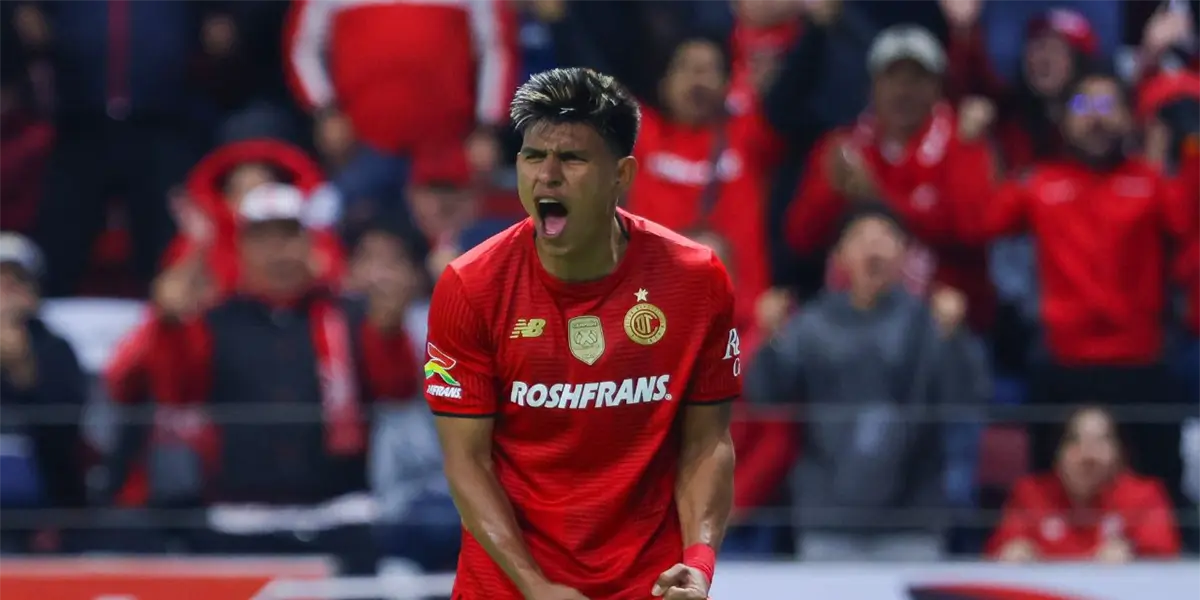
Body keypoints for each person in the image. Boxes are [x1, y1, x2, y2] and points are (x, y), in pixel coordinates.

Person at [424, 67, 738, 600]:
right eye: (532, 157)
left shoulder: (696, 280)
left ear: (622, 174)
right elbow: (467, 462)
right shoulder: (470, 287)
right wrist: (536, 587)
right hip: (507, 588)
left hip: (649, 587)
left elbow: (707, 444)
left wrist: (699, 560)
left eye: (571, 158)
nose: (547, 176)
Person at [748, 204, 988, 561]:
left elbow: (967, 398)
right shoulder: (811, 325)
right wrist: (771, 340)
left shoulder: (931, 323)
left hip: (913, 522)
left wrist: (954, 338)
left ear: (905, 253)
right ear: (839, 256)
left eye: (885, 237)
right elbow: (765, 395)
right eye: (860, 237)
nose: (873, 246)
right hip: (827, 519)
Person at [987, 406, 1181, 562]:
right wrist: (1012, 552)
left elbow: (1164, 557)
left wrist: (1134, 556)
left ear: (1120, 453)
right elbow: (997, 552)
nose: (1088, 455)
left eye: (1100, 441)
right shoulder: (1030, 493)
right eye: (1075, 441)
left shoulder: (1144, 495)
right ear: (1057, 453)